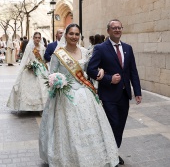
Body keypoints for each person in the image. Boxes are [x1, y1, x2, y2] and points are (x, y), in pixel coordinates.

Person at [39, 24, 119, 167]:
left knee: (89, 126)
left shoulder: (85, 51)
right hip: (65, 96)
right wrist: (57, 81)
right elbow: (51, 74)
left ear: (79, 36)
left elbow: (91, 69)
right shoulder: (58, 54)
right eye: (71, 34)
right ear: (66, 35)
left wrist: (100, 70)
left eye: (77, 34)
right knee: (68, 128)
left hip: (84, 92)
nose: (74, 37)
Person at [87, 19, 142, 165]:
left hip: (124, 95)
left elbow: (133, 71)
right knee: (113, 124)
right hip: (108, 95)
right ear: (108, 31)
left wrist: (137, 91)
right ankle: (109, 154)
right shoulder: (100, 48)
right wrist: (109, 79)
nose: (117, 30)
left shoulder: (128, 48)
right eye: (114, 28)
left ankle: (114, 152)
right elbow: (91, 70)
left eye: (119, 27)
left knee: (120, 125)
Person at [7, 32, 48, 112]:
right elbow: (25, 58)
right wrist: (28, 66)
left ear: (40, 38)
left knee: (43, 88)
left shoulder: (42, 47)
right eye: (35, 37)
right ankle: (29, 107)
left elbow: (43, 59)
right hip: (31, 69)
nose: (37, 39)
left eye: (39, 37)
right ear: (33, 38)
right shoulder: (30, 47)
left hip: (41, 69)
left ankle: (41, 108)